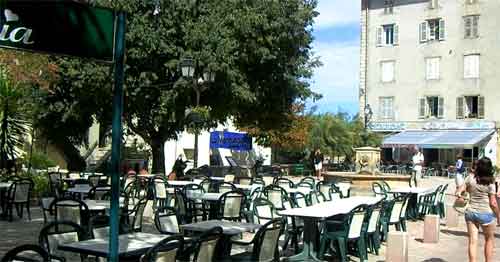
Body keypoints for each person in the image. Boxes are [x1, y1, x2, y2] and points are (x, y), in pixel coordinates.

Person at [456, 157, 500, 262]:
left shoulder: (471, 178)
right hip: (486, 213)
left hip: (470, 212)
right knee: (489, 240)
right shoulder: (491, 182)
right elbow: (493, 203)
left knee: (472, 241)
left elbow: (460, 189)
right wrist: (498, 216)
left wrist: (459, 193)